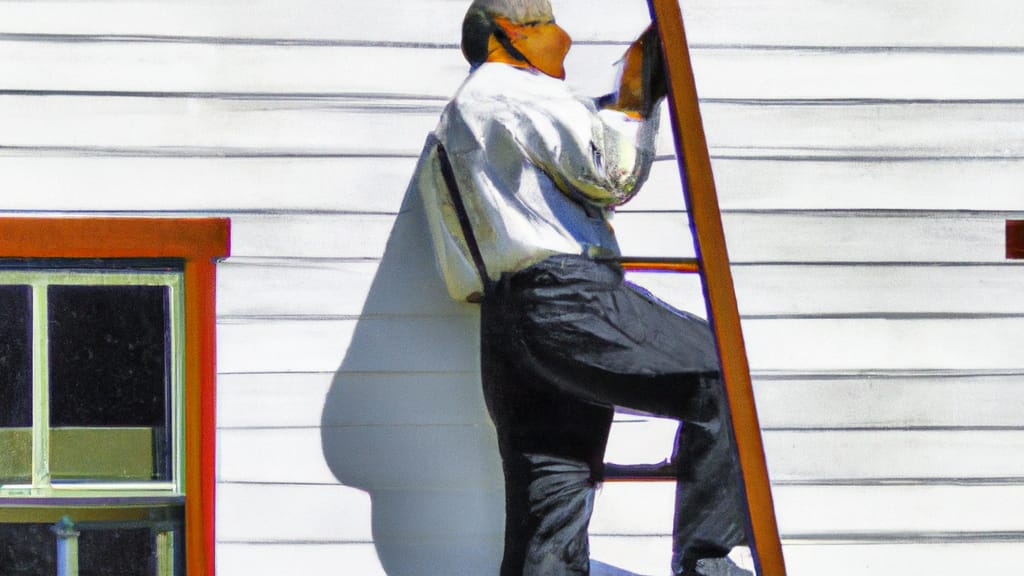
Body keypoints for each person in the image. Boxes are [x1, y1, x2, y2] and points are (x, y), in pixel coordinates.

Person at [412, 1, 752, 574]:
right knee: (724, 375)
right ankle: (707, 559)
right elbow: (611, 169)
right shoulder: (514, 89)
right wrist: (636, 90)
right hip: (568, 298)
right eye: (546, 26)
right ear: (507, 36)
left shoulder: (452, 122)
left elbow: (459, 259)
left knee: (550, 491)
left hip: (504, 322)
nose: (563, 40)